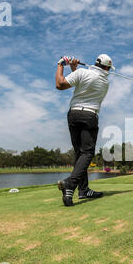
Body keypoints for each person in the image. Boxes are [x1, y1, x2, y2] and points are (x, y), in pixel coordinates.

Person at [55, 54, 114, 206]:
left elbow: (61, 84)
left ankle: (82, 190)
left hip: (73, 114)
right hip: (89, 116)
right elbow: (66, 84)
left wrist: (61, 64)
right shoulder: (105, 82)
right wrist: (73, 68)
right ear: (107, 68)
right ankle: (71, 183)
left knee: (79, 154)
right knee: (87, 153)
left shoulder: (82, 73)